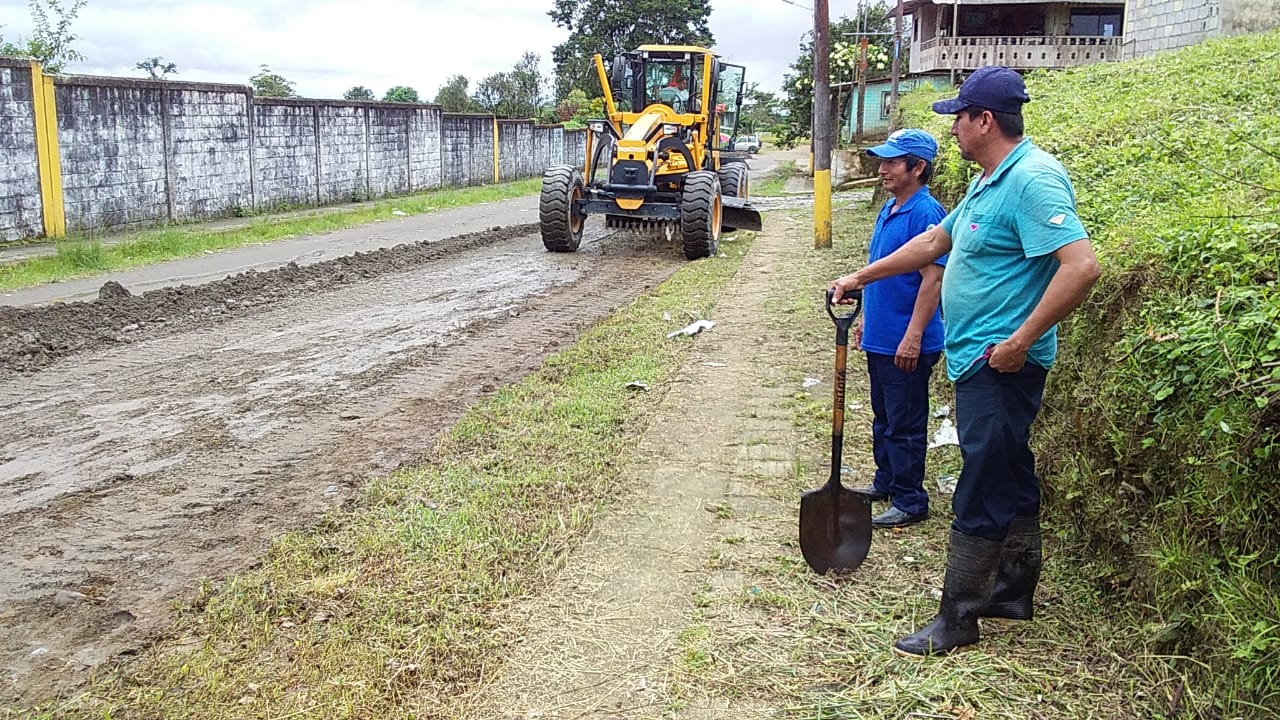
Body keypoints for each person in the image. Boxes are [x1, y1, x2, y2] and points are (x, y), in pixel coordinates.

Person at [829, 66, 1101, 657]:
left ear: (985, 120)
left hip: (1001, 363)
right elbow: (934, 244)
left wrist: (1021, 340)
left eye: (958, 117)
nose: (952, 128)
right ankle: (1013, 589)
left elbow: (1081, 267)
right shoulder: (988, 182)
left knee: (980, 480)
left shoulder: (1032, 179)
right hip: (978, 358)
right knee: (1009, 467)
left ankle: (958, 614)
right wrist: (860, 277)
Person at [832, 128, 947, 530]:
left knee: (905, 422)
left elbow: (933, 280)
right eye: (882, 162)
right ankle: (887, 482)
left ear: (917, 167)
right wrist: (867, 320)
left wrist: (913, 336)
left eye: (892, 162)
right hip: (882, 337)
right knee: (883, 417)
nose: (882, 169)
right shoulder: (891, 208)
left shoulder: (926, 213)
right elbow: (884, 274)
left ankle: (910, 500)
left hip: (906, 340)